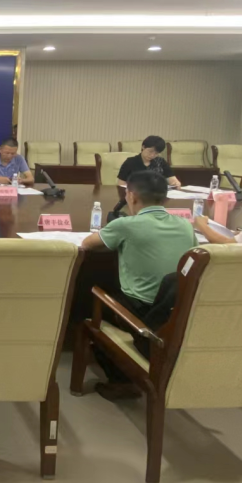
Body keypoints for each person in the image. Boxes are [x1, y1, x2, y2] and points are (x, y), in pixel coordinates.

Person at [81, 170, 196, 401]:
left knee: (90, 303)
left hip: (143, 313)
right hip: (178, 310)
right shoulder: (185, 225)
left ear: (131, 196)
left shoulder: (126, 225)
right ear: (166, 197)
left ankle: (121, 381)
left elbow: (87, 244)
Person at [116, 135, 181, 188]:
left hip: (157, 196)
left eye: (156, 153)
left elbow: (172, 179)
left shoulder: (161, 162)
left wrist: (176, 183)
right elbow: (121, 185)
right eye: (150, 151)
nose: (152, 155)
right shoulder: (130, 162)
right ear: (143, 147)